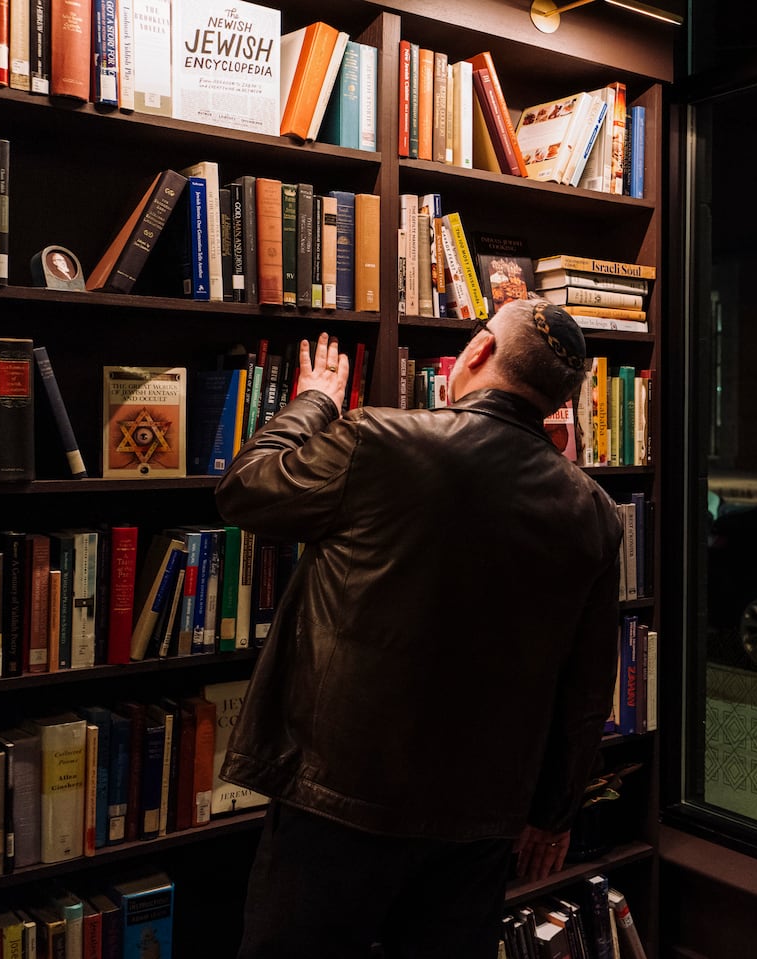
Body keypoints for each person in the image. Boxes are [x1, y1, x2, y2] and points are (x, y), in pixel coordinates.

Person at [216, 300, 624, 958]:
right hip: (479, 822)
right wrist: (554, 810)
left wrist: (316, 401)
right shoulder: (595, 511)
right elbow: (587, 686)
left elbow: (244, 490)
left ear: (478, 353)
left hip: (338, 804)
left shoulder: (379, 440)